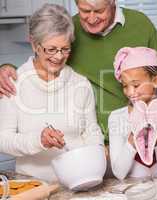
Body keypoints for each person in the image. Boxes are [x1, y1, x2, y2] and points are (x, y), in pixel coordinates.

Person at [0, 0, 157, 144]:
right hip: (97, 143)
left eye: (99, 11)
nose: (91, 18)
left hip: (140, 137)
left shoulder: (139, 24)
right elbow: (47, 61)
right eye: (85, 10)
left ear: (113, 2)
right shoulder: (69, 29)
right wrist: (6, 70)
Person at [0, 4, 104, 182]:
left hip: (77, 182)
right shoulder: (13, 83)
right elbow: (4, 139)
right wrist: (39, 141)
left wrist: (96, 155)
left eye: (65, 49)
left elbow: (92, 132)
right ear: (34, 44)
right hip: (34, 187)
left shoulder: (80, 84)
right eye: (51, 49)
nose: (58, 57)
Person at [108, 47, 157, 179]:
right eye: (125, 86)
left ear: (155, 81)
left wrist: (156, 128)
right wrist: (135, 133)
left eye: (136, 85)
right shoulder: (116, 117)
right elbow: (119, 173)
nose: (130, 92)